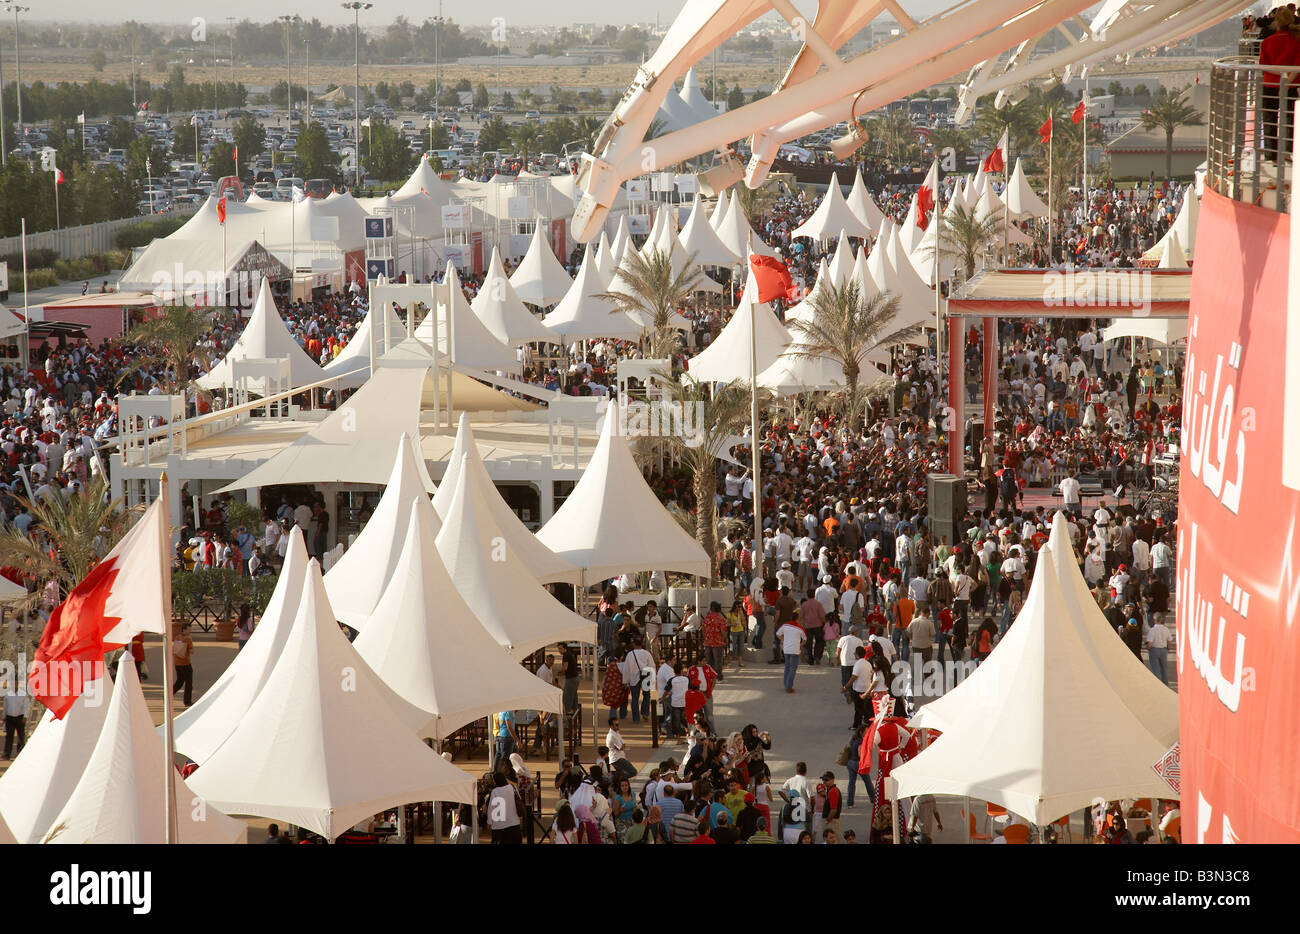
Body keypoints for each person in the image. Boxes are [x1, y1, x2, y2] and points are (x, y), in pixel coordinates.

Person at [486, 772, 523, 844]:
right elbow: (519, 799)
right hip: (514, 824)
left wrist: (489, 822)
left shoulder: (495, 792)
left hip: (499, 827)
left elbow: (491, 809)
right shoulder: (513, 788)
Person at [776, 612, 806, 693]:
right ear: (797, 619)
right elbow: (804, 639)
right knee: (793, 668)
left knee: (787, 667)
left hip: (786, 649)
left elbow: (778, 634)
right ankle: (789, 686)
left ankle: (786, 684)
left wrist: (783, 640)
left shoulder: (785, 625)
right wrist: (800, 645)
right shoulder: (800, 628)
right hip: (795, 650)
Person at [3, 682, 28, 759]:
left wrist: (25, 716)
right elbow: (5, 706)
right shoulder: (8, 694)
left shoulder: (23, 694)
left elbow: (26, 706)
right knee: (9, 737)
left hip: (20, 717)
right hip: (9, 717)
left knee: (21, 736)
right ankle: (7, 754)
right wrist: (4, 716)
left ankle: (20, 753)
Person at [172, 623, 195, 706]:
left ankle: (169, 695)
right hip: (185, 663)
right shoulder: (188, 639)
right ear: (184, 630)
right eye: (189, 630)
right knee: (188, 682)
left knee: (180, 681)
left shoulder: (177, 637)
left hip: (177, 663)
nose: (190, 631)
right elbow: (192, 651)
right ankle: (187, 701)